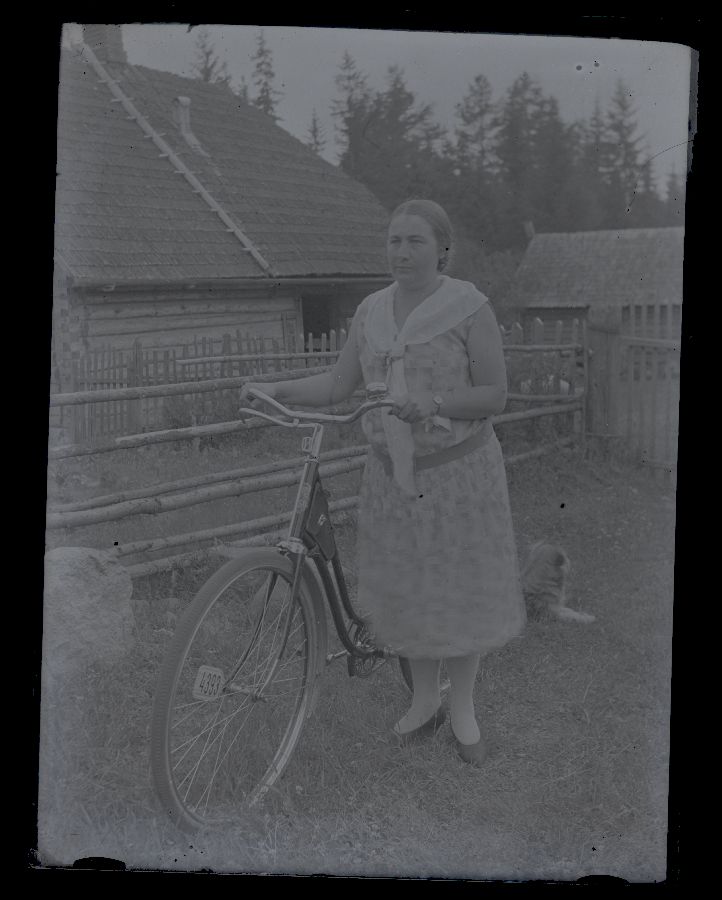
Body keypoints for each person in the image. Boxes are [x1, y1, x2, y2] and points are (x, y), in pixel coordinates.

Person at [241, 199, 526, 766]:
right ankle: (424, 701)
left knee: (459, 590)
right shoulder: (371, 310)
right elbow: (337, 383)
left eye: (415, 241)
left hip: (460, 475)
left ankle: (463, 709)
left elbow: (494, 394)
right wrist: (275, 387)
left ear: (442, 248)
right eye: (394, 240)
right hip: (394, 478)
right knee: (410, 589)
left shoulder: (468, 307)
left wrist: (437, 400)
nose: (401, 252)